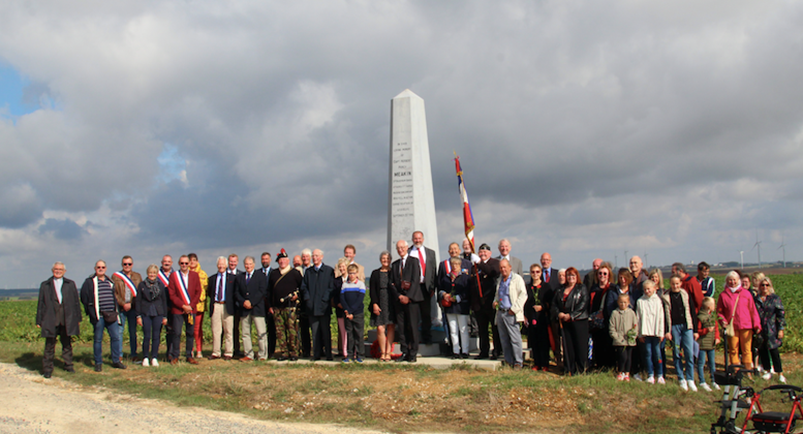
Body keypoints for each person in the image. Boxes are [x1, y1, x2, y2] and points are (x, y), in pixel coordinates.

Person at [36, 262, 81, 378]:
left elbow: (76, 302)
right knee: (49, 345)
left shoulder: (70, 284)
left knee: (67, 343)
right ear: (52, 270)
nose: (58, 271)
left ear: (64, 271)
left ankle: (68, 365)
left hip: (67, 318)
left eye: (60, 269)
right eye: (56, 269)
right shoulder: (45, 285)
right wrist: (39, 320)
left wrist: (78, 318)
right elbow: (41, 303)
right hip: (50, 319)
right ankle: (47, 369)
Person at [81, 260, 126, 372]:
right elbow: (83, 297)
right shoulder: (89, 282)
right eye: (98, 267)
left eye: (103, 267)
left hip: (111, 314)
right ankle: (98, 363)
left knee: (115, 337)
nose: (101, 269)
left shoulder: (109, 281)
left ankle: (116, 361)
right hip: (99, 316)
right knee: (98, 339)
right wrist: (90, 312)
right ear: (95, 268)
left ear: (106, 268)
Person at [717, 270, 761, 371]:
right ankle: (736, 372)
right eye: (730, 280)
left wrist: (757, 324)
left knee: (747, 350)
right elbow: (719, 312)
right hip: (732, 327)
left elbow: (752, 310)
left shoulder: (746, 294)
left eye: (734, 280)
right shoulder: (723, 295)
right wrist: (722, 321)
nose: (732, 282)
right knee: (733, 350)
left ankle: (748, 371)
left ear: (738, 281)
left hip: (746, 325)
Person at [390, 239, 423, 363]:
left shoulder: (414, 262)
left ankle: (413, 353)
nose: (400, 250)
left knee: (412, 327)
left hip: (412, 300)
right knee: (402, 328)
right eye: (398, 248)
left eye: (402, 247)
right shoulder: (395, 265)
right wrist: (399, 296)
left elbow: (416, 281)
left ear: (407, 247)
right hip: (399, 301)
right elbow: (391, 283)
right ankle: (405, 352)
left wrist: (408, 297)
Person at [551, 267, 589, 376]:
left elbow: (583, 304)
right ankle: (569, 369)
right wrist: (559, 314)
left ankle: (581, 370)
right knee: (568, 346)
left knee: (580, 346)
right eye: (569, 275)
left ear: (577, 277)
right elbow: (554, 305)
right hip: (565, 322)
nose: (571, 278)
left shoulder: (582, 288)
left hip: (579, 321)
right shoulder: (560, 290)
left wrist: (571, 315)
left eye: (573, 275)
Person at [268, 249, 304, 361]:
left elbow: (302, 289)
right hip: (277, 308)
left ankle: (294, 352)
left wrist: (297, 296)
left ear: (288, 260)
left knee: (292, 331)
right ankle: (284, 352)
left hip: (291, 307)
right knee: (280, 332)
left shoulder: (295, 273)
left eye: (284, 259)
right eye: (280, 260)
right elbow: (269, 291)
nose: (282, 262)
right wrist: (270, 305)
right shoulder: (273, 274)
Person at [663, 274, 698, 391]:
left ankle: (690, 378)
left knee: (689, 352)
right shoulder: (666, 297)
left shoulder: (685, 295)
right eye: (673, 284)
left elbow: (692, 311)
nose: (675, 286)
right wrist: (667, 331)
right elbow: (665, 316)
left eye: (677, 283)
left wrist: (695, 330)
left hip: (686, 326)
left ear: (681, 283)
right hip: (674, 327)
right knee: (676, 352)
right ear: (670, 284)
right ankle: (681, 378)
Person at [300, 249, 335, 361]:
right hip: (312, 308)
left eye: (316, 256)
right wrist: (307, 299)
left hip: (324, 307)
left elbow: (331, 287)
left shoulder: (328, 271)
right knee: (314, 332)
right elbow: (303, 287)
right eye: (313, 256)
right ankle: (316, 354)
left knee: (325, 332)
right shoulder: (309, 272)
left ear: (321, 257)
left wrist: (325, 299)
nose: (314, 258)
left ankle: (328, 354)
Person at [167, 255, 202, 365]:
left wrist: (190, 306)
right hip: (178, 309)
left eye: (186, 263)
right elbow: (172, 294)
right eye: (182, 263)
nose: (184, 265)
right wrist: (183, 306)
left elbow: (198, 292)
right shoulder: (174, 276)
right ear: (179, 263)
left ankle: (189, 355)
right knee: (176, 333)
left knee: (190, 333)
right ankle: (175, 355)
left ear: (189, 264)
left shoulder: (194, 275)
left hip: (191, 310)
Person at [494, 259, 527, 369]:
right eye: (501, 268)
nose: (503, 269)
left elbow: (523, 295)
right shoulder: (500, 280)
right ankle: (508, 360)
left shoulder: (517, 279)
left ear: (510, 267)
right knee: (504, 339)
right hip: (501, 312)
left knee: (515, 339)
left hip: (511, 312)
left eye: (505, 267)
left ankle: (518, 362)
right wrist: (495, 302)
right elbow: (497, 294)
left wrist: (515, 309)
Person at [471, 243, 501, 360]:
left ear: (490, 253)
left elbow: (492, 272)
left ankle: (497, 350)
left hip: (490, 302)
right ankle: (484, 351)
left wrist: (480, 263)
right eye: (481, 252)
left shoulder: (494, 263)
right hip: (479, 304)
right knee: (482, 330)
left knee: (494, 329)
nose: (483, 254)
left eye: (485, 252)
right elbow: (472, 284)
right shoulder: (474, 266)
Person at [236, 256, 269, 361]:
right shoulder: (240, 277)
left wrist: (252, 302)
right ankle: (248, 355)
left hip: (257, 308)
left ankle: (262, 355)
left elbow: (262, 291)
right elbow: (236, 293)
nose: (248, 266)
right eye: (246, 264)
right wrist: (243, 302)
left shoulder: (260, 276)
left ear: (254, 264)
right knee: (245, 333)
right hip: (244, 309)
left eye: (250, 264)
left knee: (261, 333)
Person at [135, 264, 168, 367]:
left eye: (154, 273)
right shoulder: (142, 285)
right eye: (150, 273)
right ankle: (145, 357)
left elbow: (164, 301)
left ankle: (154, 357)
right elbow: (138, 301)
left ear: (157, 274)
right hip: (146, 313)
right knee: (147, 336)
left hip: (158, 312)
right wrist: (138, 316)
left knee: (156, 336)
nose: (152, 275)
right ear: (147, 273)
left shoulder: (160, 285)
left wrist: (165, 316)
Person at [754, 277, 786, 383]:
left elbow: (780, 315)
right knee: (762, 350)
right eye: (762, 285)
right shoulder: (756, 299)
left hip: (772, 328)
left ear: (770, 286)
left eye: (767, 285)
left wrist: (781, 328)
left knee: (774, 351)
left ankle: (780, 373)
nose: (764, 287)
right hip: (760, 329)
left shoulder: (774, 298)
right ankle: (767, 371)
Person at [439, 256, 471, 359]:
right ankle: (455, 351)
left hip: (461, 307)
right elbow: (440, 288)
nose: (455, 266)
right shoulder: (446, 277)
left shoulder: (465, 277)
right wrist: (444, 295)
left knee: (463, 329)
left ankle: (465, 351)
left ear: (460, 265)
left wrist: (457, 298)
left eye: (457, 264)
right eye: (453, 264)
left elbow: (467, 291)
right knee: (453, 330)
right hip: (450, 307)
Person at [112, 255, 142, 361]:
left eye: (129, 264)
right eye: (125, 264)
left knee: (132, 332)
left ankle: (134, 354)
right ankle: (119, 354)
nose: (127, 266)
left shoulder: (137, 276)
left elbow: (140, 293)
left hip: (133, 308)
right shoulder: (116, 277)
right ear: (122, 265)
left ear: (132, 265)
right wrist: (123, 303)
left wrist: (131, 304)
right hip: (121, 308)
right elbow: (114, 293)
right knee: (119, 331)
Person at [410, 231, 438, 345]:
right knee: (413, 315)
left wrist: (433, 287)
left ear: (423, 239)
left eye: (419, 238)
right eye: (415, 239)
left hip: (426, 288)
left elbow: (433, 271)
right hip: (413, 289)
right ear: (412, 239)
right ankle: (414, 339)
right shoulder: (409, 252)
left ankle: (427, 338)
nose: (417, 240)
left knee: (426, 314)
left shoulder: (430, 253)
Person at [637, 280, 665, 385]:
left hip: (656, 332)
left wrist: (661, 333)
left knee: (657, 354)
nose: (647, 291)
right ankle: (650, 374)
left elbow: (661, 318)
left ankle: (660, 375)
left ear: (654, 288)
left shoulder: (658, 301)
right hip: (645, 332)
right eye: (645, 289)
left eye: (649, 289)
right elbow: (638, 318)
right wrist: (639, 333)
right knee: (648, 353)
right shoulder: (640, 301)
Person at [208, 256, 235, 360]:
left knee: (228, 330)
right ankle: (216, 352)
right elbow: (210, 292)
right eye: (219, 264)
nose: (221, 266)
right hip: (216, 305)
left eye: (223, 264)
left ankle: (228, 352)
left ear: (226, 265)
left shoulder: (232, 278)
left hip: (227, 306)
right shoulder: (212, 278)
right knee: (216, 330)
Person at [370, 251, 396, 362]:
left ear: (390, 260)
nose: (385, 260)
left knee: (390, 326)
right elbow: (372, 290)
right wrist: (375, 303)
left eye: (387, 258)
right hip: (379, 301)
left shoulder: (393, 272)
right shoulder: (375, 273)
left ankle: (388, 352)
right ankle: (382, 351)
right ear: (380, 259)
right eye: (383, 258)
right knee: (380, 328)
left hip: (391, 302)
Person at [525, 264, 551, 371]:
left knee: (543, 341)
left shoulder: (546, 287)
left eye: (537, 272)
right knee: (534, 340)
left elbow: (550, 303)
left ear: (541, 273)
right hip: (531, 317)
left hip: (542, 317)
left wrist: (542, 307)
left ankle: (545, 363)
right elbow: (525, 303)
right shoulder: (527, 287)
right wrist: (525, 316)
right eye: (533, 272)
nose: (535, 274)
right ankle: (537, 363)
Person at [589, 262, 614, 369]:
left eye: (604, 274)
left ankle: (608, 366)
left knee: (607, 344)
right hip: (595, 321)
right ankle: (598, 365)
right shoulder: (593, 288)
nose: (602, 276)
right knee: (597, 344)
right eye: (600, 273)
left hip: (608, 320)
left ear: (609, 275)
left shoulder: (612, 288)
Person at [341, 264, 366, 363]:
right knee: (350, 335)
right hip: (347, 313)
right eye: (350, 273)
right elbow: (342, 299)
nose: (351, 275)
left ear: (357, 274)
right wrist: (347, 310)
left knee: (358, 334)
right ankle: (350, 354)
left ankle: (360, 355)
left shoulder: (360, 284)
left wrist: (351, 311)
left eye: (353, 273)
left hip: (357, 313)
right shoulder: (344, 285)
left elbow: (359, 300)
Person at [610, 294, 638, 381]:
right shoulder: (615, 313)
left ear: (629, 303)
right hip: (619, 340)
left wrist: (633, 335)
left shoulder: (632, 313)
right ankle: (620, 372)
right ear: (618, 302)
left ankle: (627, 373)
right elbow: (612, 327)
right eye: (621, 302)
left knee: (629, 357)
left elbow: (635, 325)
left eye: (625, 302)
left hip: (629, 340)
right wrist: (616, 337)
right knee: (622, 356)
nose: (623, 304)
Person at [540, 252, 561, 367]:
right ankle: (545, 358)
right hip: (541, 311)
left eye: (547, 260)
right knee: (543, 336)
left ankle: (558, 357)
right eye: (543, 260)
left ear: (551, 261)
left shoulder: (557, 274)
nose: (545, 262)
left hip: (554, 311)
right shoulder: (538, 274)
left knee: (556, 336)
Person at [696, 297, 720, 391]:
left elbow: (716, 328)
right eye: (714, 305)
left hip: (711, 344)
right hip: (702, 344)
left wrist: (717, 337)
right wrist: (705, 330)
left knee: (712, 363)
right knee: (701, 363)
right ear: (709, 307)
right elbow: (698, 330)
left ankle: (714, 380)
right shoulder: (700, 317)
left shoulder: (713, 317)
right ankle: (702, 381)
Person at [188, 253, 208, 359]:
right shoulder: (184, 273)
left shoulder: (203, 274)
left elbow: (204, 289)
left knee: (197, 329)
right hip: (187, 306)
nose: (192, 262)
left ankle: (199, 350)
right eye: (190, 260)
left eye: (194, 260)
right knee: (189, 328)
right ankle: (190, 350)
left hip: (199, 305)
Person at [258, 252, 276, 359]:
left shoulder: (274, 273)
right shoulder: (257, 273)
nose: (265, 261)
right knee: (261, 330)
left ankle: (271, 351)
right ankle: (262, 350)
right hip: (260, 305)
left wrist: (271, 305)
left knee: (271, 330)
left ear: (270, 260)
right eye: (263, 259)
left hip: (271, 306)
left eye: (266, 259)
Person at [297, 248, 313, 358]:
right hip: (301, 304)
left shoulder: (313, 269)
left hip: (312, 303)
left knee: (315, 328)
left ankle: (318, 349)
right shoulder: (297, 270)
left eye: (307, 257)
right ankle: (306, 350)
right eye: (303, 257)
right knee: (304, 329)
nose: (305, 258)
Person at [227, 254, 243, 357]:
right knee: (226, 329)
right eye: (231, 261)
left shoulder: (240, 274)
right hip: (227, 305)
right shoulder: (224, 274)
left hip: (237, 306)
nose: (232, 263)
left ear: (237, 262)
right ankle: (225, 349)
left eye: (234, 262)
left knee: (236, 328)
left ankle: (237, 349)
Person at [334, 258, 349, 358]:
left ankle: (352, 351)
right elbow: (334, 295)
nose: (341, 268)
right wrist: (339, 304)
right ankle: (344, 352)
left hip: (351, 310)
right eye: (340, 267)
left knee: (350, 332)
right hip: (340, 310)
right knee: (343, 332)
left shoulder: (352, 279)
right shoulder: (336, 281)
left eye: (343, 266)